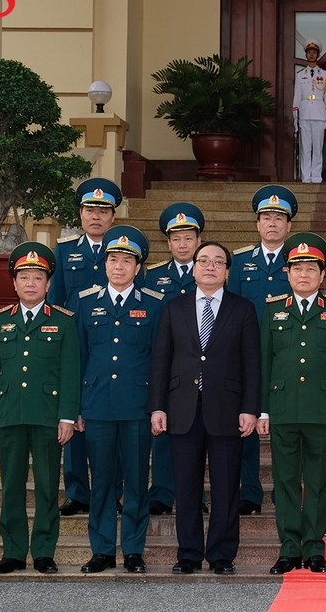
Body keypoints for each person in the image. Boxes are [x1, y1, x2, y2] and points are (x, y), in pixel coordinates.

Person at [149, 240, 260, 575]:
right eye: (204, 261)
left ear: (227, 272)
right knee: (186, 487)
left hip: (227, 409)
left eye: (218, 262)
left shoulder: (243, 309)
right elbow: (161, 360)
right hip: (182, 409)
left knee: (226, 487)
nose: (210, 266)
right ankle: (189, 553)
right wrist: (157, 407)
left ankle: (222, 554)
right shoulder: (174, 307)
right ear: (194, 268)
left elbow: (252, 363)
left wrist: (250, 408)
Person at [257, 233, 326, 574]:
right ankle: (288, 548)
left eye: (311, 268)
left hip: (322, 409)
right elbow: (264, 362)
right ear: (287, 273)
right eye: (297, 268)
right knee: (285, 481)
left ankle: (314, 548)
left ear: (322, 275)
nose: (304, 274)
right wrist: (263, 409)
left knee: (317, 481)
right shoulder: (273, 309)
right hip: (283, 407)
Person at [0, 243, 80, 575]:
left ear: (48, 284)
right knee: (11, 486)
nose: (31, 283)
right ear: (14, 283)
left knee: (48, 487)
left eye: (38, 278)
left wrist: (67, 415)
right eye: (24, 277)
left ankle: (44, 552)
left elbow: (70, 372)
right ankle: (13, 551)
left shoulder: (63, 322)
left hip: (48, 415)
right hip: (9, 414)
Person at [75, 225, 164, 573]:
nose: (119, 267)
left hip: (137, 406)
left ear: (138, 267)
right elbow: (78, 358)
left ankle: (133, 549)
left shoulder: (154, 304)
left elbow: (159, 360)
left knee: (137, 481)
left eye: (127, 261)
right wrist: (75, 408)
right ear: (104, 264)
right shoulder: (85, 303)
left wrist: (157, 406)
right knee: (101, 483)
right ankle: (101, 550)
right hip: (97, 406)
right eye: (113, 260)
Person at [50, 177, 124, 517]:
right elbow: (55, 300)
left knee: (116, 421)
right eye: (90, 210)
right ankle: (77, 491)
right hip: (75, 348)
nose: (96, 216)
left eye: (103, 211)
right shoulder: (65, 251)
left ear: (113, 216)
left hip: (113, 345)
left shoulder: (125, 251)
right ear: (80, 214)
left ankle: (113, 491)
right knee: (74, 415)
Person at [229, 185, 298, 516]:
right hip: (247, 355)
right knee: (246, 424)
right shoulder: (241, 261)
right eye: (266, 218)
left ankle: (286, 489)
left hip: (288, 355)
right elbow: (231, 309)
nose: (272, 223)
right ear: (257, 224)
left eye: (279, 218)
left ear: (289, 225)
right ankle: (249, 491)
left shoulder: (299, 260)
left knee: (287, 427)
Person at [144, 202, 206, 517]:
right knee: (163, 431)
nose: (183, 245)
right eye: (176, 239)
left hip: (201, 367)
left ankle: (197, 495)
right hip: (165, 364)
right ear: (167, 243)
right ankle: (162, 492)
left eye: (189, 238)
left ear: (199, 240)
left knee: (202, 432)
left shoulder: (211, 270)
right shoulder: (152, 276)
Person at [292, 39, 326, 183]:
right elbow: (297, 96)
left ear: (318, 55)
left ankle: (316, 176)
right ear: (306, 54)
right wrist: (295, 117)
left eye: (314, 52)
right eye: (309, 52)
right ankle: (306, 177)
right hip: (304, 113)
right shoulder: (300, 75)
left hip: (319, 114)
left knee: (317, 148)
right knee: (305, 148)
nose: (311, 55)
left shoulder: (325, 75)